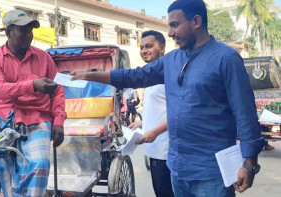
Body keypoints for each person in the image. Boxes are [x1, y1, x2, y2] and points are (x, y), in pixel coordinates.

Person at [71, 0, 265, 196]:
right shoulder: (172, 60)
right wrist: (89, 75)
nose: (170, 33)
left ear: (196, 21)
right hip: (177, 168)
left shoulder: (226, 59)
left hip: (212, 173)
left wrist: (250, 163)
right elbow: (135, 76)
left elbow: (245, 114)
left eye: (175, 25)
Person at [0, 10, 66, 197]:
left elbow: (58, 92)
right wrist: (33, 85)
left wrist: (59, 121)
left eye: (30, 30)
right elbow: (0, 90)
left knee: (41, 164)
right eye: (23, 30)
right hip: (3, 116)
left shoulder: (44, 58)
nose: (29, 34)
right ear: (9, 32)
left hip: (36, 118)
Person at [128, 30, 174, 197]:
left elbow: (179, 114)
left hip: (166, 151)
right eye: (141, 47)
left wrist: (154, 132)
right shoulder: (150, 77)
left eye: (149, 46)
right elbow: (159, 109)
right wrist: (142, 123)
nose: (143, 51)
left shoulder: (168, 75)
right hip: (154, 149)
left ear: (162, 48)